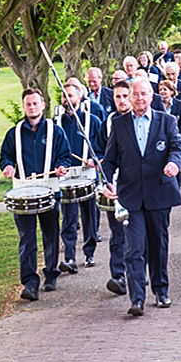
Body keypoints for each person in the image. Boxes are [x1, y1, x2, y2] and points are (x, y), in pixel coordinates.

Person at [101, 77, 181, 316]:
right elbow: (109, 160)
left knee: (158, 245)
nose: (139, 98)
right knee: (134, 248)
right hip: (131, 196)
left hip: (159, 193)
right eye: (135, 94)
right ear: (130, 97)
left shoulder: (167, 121)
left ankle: (161, 291)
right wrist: (106, 182)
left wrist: (174, 163)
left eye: (144, 94)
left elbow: (178, 147)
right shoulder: (119, 125)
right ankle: (137, 298)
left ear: (151, 96)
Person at [0, 88, 73, 301]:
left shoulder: (55, 130)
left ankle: (51, 273)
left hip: (49, 191)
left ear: (43, 105)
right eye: (28, 104)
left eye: (35, 103)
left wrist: (61, 166)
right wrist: (7, 166)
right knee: (27, 237)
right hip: (23, 193)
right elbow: (5, 156)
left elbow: (65, 155)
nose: (32, 107)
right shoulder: (14, 133)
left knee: (50, 234)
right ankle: (30, 282)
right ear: (24, 106)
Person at [55, 83, 105, 271]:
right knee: (68, 218)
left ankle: (89, 253)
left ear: (79, 97)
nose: (66, 99)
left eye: (70, 95)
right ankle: (69, 258)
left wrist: (95, 158)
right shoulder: (55, 124)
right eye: (63, 96)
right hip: (66, 177)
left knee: (89, 216)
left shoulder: (93, 121)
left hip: (88, 175)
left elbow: (103, 146)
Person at [101, 80, 133, 296]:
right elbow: (101, 151)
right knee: (117, 231)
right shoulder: (108, 123)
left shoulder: (141, 120)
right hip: (115, 184)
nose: (122, 101)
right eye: (117, 97)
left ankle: (138, 272)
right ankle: (118, 275)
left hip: (138, 185)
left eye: (125, 96)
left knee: (137, 231)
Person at [158, 79, 181, 187]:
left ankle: (179, 179)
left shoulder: (180, 104)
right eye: (160, 90)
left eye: (165, 89)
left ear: (171, 91)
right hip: (161, 139)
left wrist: (180, 136)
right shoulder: (157, 105)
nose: (162, 92)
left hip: (177, 137)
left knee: (176, 159)